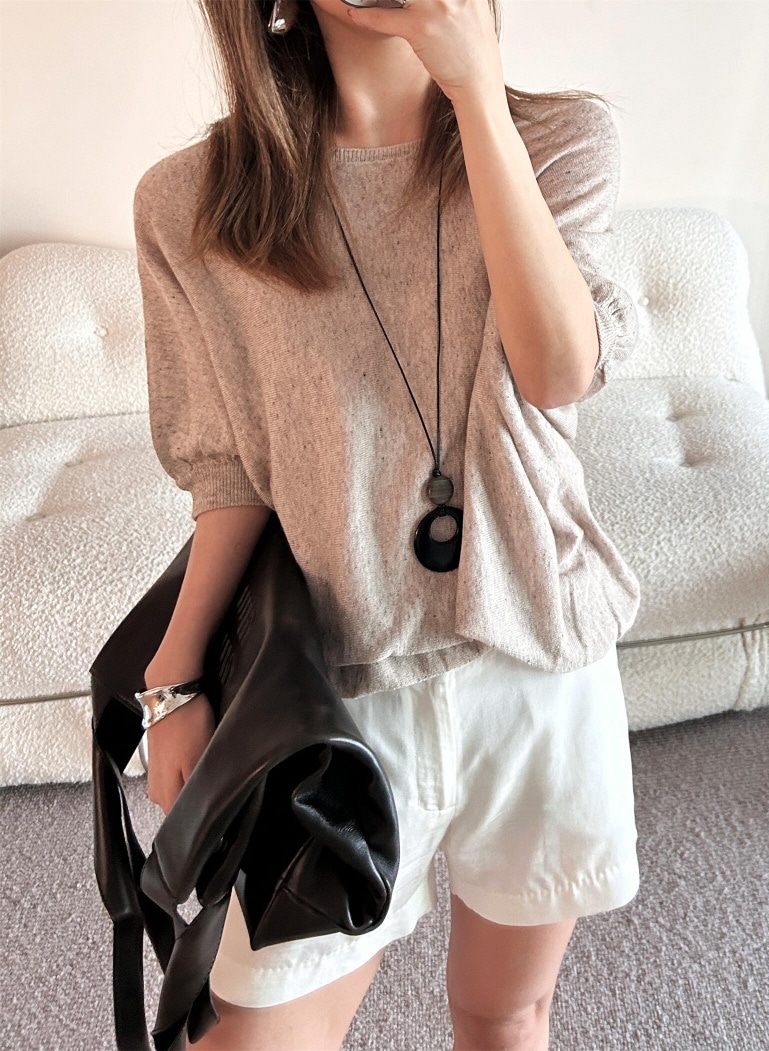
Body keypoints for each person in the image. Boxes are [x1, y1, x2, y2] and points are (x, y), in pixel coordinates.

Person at [134, 1, 643, 1048]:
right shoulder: (194, 204)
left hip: (539, 663)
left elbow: (557, 368)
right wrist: (174, 677)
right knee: (253, 1030)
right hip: (335, 692)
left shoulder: (561, 142)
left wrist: (477, 94)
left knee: (507, 1010)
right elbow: (229, 472)